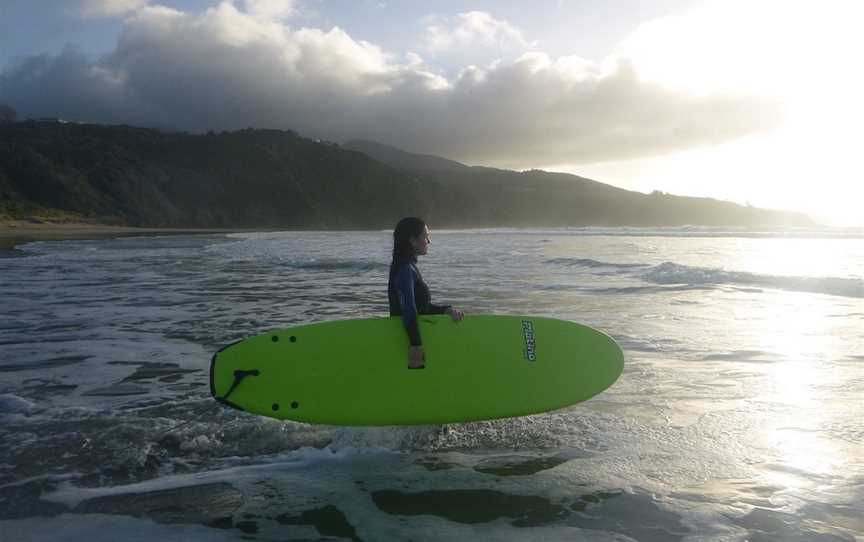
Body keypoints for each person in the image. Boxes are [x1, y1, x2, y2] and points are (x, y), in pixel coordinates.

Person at [388, 217, 464, 369]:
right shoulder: (405, 269)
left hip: (405, 336)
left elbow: (422, 308)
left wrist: (446, 310)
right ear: (413, 240)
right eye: (426, 236)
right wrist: (416, 345)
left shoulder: (407, 267)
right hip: (405, 341)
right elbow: (408, 310)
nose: (429, 241)